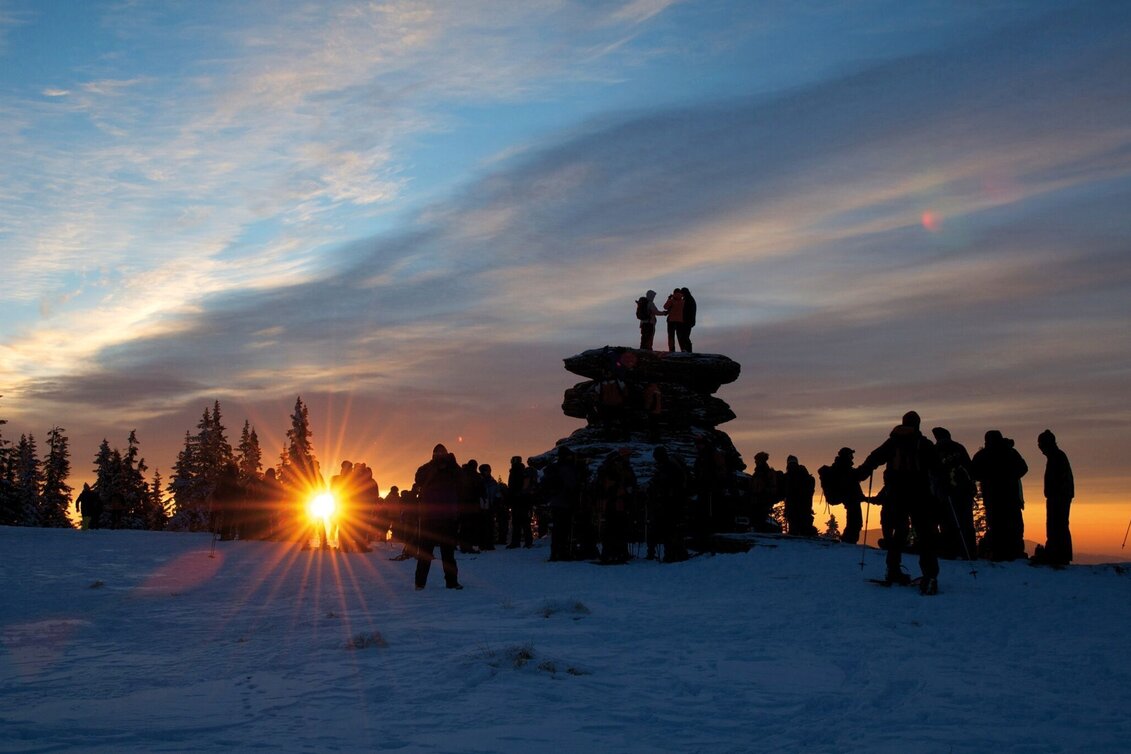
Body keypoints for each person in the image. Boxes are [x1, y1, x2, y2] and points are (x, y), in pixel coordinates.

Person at [856, 411, 941, 594]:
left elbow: (874, 458)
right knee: (925, 534)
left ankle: (893, 570)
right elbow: (937, 467)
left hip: (896, 494)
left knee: (899, 532)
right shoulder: (924, 444)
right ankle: (930, 576)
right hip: (920, 495)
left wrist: (860, 474)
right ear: (918, 424)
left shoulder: (893, 442)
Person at [971, 430, 1028, 561]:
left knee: (998, 525)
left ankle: (1000, 552)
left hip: (993, 497)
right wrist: (1010, 477)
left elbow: (973, 472)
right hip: (1009, 496)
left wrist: (987, 477)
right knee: (1014, 525)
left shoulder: (983, 455)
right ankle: (1014, 551)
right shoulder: (1010, 452)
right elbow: (1023, 468)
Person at [413, 444, 463, 590]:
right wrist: (433, 465)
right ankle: (420, 583)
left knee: (448, 554)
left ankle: (451, 582)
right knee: (426, 553)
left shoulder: (452, 470)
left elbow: (462, 480)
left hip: (447, 517)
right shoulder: (427, 469)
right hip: (430, 517)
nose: (440, 457)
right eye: (438, 454)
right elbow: (418, 478)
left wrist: (453, 464)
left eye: (443, 454)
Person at [931, 428, 977, 560]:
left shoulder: (935, 450)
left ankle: (950, 550)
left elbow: (934, 473)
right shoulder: (959, 448)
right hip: (964, 491)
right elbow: (970, 467)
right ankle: (969, 551)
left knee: (948, 521)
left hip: (946, 492)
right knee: (966, 521)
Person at [1034, 429, 1074, 566]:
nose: (1040, 450)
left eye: (1041, 446)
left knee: (1058, 524)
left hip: (1059, 497)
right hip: (1058, 496)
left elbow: (1060, 479)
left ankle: (1059, 554)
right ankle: (1057, 553)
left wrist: (1055, 493)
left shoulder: (1057, 457)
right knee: (1056, 524)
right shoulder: (1056, 456)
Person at [542, 447, 584, 561]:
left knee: (557, 529)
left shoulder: (555, 468)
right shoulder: (567, 468)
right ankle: (563, 553)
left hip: (555, 502)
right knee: (564, 529)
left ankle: (555, 553)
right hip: (565, 502)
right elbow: (572, 484)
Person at [649, 446, 689, 562]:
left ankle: (674, 554)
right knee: (670, 529)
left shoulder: (669, 467)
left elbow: (674, 484)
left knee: (671, 529)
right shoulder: (667, 467)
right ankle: (674, 554)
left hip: (671, 503)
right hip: (669, 503)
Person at [820, 448, 865, 543]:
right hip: (850, 499)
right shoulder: (844, 468)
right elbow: (854, 477)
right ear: (847, 456)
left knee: (855, 521)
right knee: (856, 521)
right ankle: (849, 540)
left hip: (849, 498)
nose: (852, 457)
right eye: (851, 455)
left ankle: (848, 539)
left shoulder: (841, 467)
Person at [782, 455, 818, 536]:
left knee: (795, 528)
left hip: (794, 506)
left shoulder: (787, 476)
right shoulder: (805, 475)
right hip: (804, 506)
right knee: (803, 527)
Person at [748, 452, 781, 533]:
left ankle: (761, 533)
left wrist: (765, 493)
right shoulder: (758, 472)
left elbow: (772, 488)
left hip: (763, 500)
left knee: (761, 518)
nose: (755, 462)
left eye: (757, 460)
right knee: (757, 518)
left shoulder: (767, 473)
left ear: (761, 461)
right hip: (757, 499)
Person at [506, 456, 533, 549]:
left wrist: (516, 495)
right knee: (522, 521)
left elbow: (514, 487)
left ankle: (519, 542)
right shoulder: (521, 471)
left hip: (519, 500)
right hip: (521, 500)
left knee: (519, 521)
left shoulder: (516, 472)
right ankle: (525, 541)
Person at [663, 288, 685, 353]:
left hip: (671, 321)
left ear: (674, 293)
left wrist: (669, 299)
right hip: (680, 321)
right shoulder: (683, 301)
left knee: (671, 336)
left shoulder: (671, 300)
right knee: (680, 336)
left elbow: (665, 307)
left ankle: (672, 350)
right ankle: (683, 349)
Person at [679, 287, 696, 353]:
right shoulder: (689, 299)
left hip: (687, 321)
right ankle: (687, 350)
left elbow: (686, 311)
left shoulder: (688, 299)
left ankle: (688, 351)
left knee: (685, 336)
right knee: (685, 336)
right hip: (688, 321)